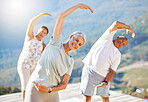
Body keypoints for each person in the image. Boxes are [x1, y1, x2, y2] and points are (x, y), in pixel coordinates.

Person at [24, 4, 93, 102]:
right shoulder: (56, 43)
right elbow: (61, 16)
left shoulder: (70, 61)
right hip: (36, 88)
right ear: (71, 36)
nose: (76, 44)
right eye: (76, 40)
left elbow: (64, 84)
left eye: (79, 44)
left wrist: (49, 90)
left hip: (51, 93)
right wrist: (78, 6)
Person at [80, 21, 135, 102]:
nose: (121, 43)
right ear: (118, 36)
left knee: (105, 98)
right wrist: (129, 28)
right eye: (121, 40)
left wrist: (105, 81)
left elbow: (112, 71)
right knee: (87, 97)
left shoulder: (117, 55)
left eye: (123, 44)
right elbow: (116, 23)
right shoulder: (106, 38)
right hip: (90, 71)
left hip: (103, 76)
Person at [17, 13, 52, 102]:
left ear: (45, 35)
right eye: (41, 31)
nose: (42, 33)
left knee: (32, 86)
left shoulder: (43, 45)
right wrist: (42, 14)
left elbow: (47, 55)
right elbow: (31, 22)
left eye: (44, 33)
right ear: (38, 30)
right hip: (24, 65)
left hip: (34, 68)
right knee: (25, 85)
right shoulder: (30, 37)